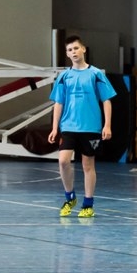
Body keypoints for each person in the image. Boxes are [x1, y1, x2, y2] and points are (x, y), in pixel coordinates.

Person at [48, 35, 116, 218]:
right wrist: (55, 127)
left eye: (76, 48)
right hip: (68, 126)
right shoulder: (64, 77)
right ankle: (70, 197)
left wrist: (107, 125)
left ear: (83, 49)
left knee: (88, 165)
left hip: (90, 127)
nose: (73, 52)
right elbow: (58, 103)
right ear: (67, 54)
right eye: (70, 50)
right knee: (63, 161)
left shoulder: (96, 74)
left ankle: (88, 204)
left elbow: (107, 101)